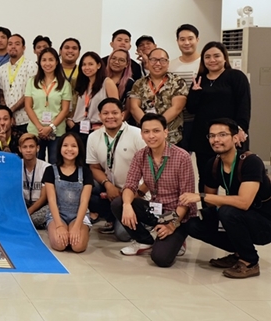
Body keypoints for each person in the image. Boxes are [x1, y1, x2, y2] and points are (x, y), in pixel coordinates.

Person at [182, 119, 271, 279]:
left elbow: (244, 202)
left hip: (264, 223)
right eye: (212, 136)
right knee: (193, 224)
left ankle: (249, 261)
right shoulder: (213, 164)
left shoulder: (251, 162)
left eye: (222, 135)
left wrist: (201, 196)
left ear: (235, 138)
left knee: (227, 212)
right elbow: (210, 202)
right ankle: (238, 253)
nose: (216, 140)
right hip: (239, 216)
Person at [112, 113, 195, 266]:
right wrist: (127, 205)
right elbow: (130, 185)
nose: (151, 136)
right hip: (155, 209)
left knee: (161, 259)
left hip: (175, 213)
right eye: (146, 132)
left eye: (156, 131)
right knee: (119, 203)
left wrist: (172, 224)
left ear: (165, 132)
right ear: (141, 134)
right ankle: (144, 241)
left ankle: (178, 238)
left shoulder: (182, 157)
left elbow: (187, 199)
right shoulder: (140, 155)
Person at [187, 42, 251, 186]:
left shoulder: (236, 76)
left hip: (230, 135)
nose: (212, 60)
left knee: (236, 176)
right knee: (206, 177)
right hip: (204, 137)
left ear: (224, 58)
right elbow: (191, 109)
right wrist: (195, 93)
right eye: (207, 57)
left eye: (216, 56)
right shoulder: (199, 79)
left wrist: (241, 128)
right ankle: (207, 201)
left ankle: (236, 201)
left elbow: (244, 105)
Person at [86, 98, 146, 242]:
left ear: (122, 114)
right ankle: (112, 217)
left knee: (123, 235)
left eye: (114, 113)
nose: (110, 117)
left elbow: (151, 171)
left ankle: (143, 219)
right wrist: (108, 185)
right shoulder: (93, 137)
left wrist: (136, 194)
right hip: (112, 189)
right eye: (105, 113)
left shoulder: (137, 134)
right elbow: (94, 167)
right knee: (86, 186)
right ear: (100, 116)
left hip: (136, 193)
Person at [43, 132, 93, 252]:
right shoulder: (50, 170)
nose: (69, 149)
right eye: (65, 145)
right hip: (57, 215)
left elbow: (84, 201)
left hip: (79, 216)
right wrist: (59, 225)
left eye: (74, 146)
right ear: (60, 148)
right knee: (60, 244)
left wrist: (77, 226)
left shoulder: (86, 172)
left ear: (79, 149)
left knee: (78, 246)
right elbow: (52, 200)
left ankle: (81, 230)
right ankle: (55, 228)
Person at [128, 48, 188, 145]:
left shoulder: (177, 82)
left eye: (162, 60)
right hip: (145, 138)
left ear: (168, 63)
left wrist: (157, 125)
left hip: (171, 137)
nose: (158, 64)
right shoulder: (139, 83)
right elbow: (134, 108)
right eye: (153, 60)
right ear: (148, 62)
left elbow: (177, 108)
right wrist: (148, 127)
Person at [24, 48, 72, 164]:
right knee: (35, 163)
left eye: (51, 60)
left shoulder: (64, 84)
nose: (47, 63)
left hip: (57, 131)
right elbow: (28, 106)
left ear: (57, 62)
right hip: (35, 130)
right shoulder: (32, 81)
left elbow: (65, 110)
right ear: (39, 62)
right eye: (44, 60)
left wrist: (50, 127)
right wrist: (40, 127)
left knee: (55, 163)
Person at [67, 52, 118, 144]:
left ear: (98, 65)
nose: (87, 67)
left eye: (90, 64)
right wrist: (70, 122)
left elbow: (116, 108)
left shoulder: (107, 83)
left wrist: (104, 127)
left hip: (97, 128)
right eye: (84, 64)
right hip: (78, 128)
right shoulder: (81, 83)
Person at [168, 24, 201, 152]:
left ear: (197, 40)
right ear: (177, 41)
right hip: (176, 121)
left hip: (197, 120)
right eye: (182, 39)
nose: (186, 43)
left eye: (190, 38)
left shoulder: (204, 64)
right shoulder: (171, 65)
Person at [0, 34, 38, 134]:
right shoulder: (1, 69)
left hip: (27, 119)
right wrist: (7, 115)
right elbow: (0, 93)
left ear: (23, 48)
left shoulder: (31, 66)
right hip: (7, 122)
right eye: (10, 44)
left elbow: (30, 94)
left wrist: (10, 112)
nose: (13, 46)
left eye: (17, 44)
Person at [19, 134, 50, 229]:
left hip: (39, 205)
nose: (28, 150)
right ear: (20, 149)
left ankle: (23, 222)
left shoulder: (46, 167)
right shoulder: (15, 166)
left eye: (31, 146)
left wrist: (28, 212)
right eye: (25, 147)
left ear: (37, 148)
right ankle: (27, 222)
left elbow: (44, 198)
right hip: (22, 204)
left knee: (52, 208)